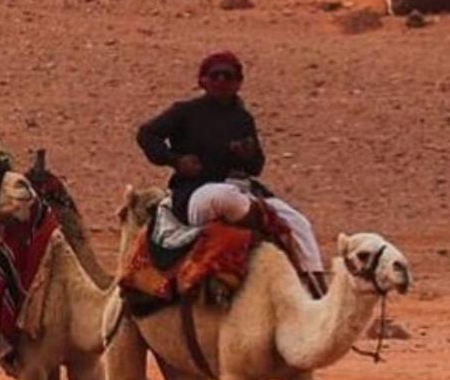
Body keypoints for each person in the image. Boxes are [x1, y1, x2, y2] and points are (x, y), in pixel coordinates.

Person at [136, 50, 327, 293]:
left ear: (238, 83)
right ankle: (258, 223)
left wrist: (246, 154)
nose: (221, 81)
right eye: (215, 76)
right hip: (197, 193)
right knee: (222, 196)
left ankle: (317, 288)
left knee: (298, 223)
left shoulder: (243, 119)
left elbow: (256, 166)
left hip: (240, 191)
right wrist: (175, 160)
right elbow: (146, 134)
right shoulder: (185, 112)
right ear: (202, 81)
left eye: (228, 76)